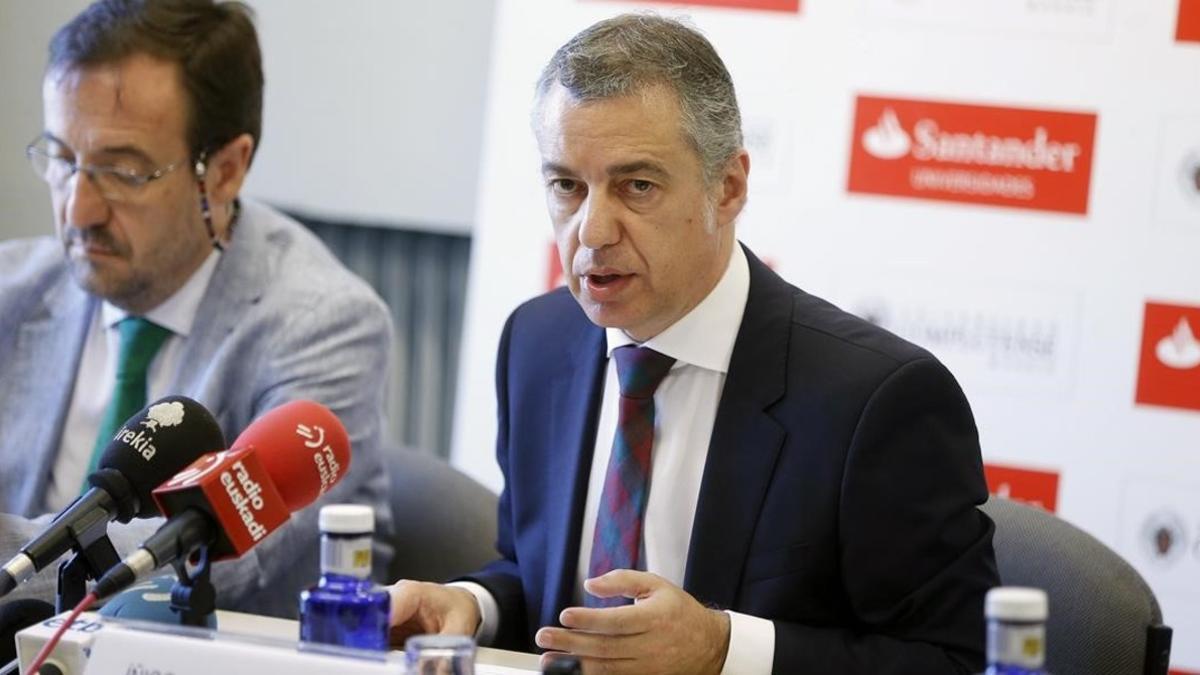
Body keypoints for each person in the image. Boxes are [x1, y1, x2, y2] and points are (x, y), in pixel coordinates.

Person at [387, 13, 998, 674]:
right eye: (567, 185)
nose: (592, 231)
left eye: (636, 186)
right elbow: (537, 573)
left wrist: (723, 648)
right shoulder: (537, 344)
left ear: (728, 187)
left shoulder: (874, 400)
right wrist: (476, 604)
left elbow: (958, 660)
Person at [0, 0, 392, 618]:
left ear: (227, 170)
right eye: (62, 160)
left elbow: (217, 551)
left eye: (123, 171)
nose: (77, 211)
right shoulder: (14, 289)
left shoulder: (323, 322)